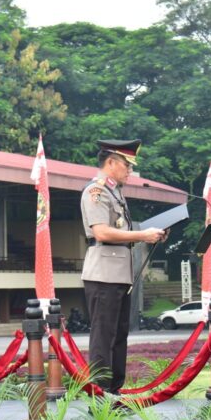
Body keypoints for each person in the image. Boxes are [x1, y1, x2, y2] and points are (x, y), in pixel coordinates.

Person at [80, 139, 165, 394]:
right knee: (103, 337)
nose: (130, 170)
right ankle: (100, 394)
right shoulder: (96, 191)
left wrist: (154, 234)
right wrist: (142, 236)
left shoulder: (116, 193)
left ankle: (114, 391)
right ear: (110, 162)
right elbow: (102, 232)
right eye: (127, 165)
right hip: (103, 274)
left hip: (120, 275)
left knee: (119, 336)